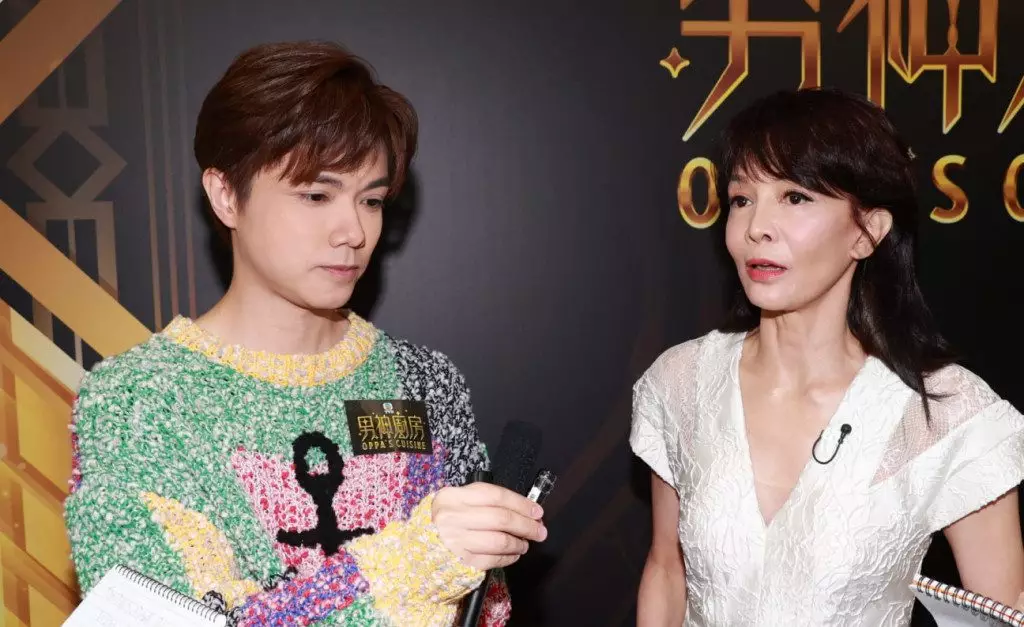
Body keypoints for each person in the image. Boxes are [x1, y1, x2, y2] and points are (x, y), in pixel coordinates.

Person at [63, 41, 545, 626]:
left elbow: (485, 611)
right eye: (316, 195)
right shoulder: (139, 402)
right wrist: (418, 563)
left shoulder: (423, 382)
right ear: (225, 195)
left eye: (371, 200)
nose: (353, 231)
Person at [630, 87, 1024, 626]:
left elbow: (1002, 612)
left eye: (795, 197)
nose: (756, 227)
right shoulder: (682, 382)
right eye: (743, 199)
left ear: (867, 232)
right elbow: (667, 569)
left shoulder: (945, 412)